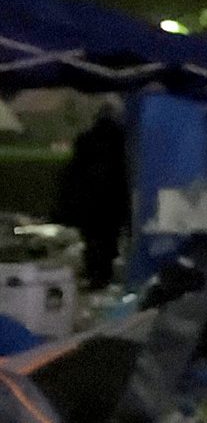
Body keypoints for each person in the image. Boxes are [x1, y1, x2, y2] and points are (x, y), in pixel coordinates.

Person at [52, 103, 130, 291]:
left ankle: (95, 273)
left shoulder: (86, 141)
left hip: (89, 202)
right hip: (112, 201)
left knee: (93, 240)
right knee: (108, 240)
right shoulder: (122, 142)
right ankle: (103, 274)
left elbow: (74, 173)